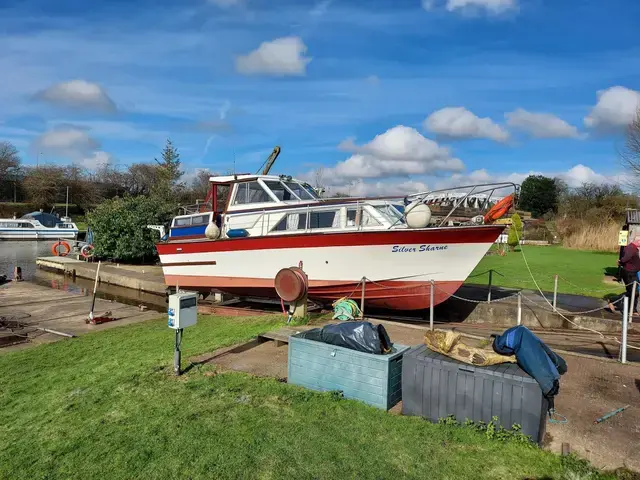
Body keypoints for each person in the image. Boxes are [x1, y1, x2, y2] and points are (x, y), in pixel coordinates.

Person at [609, 234, 640, 316]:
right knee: (633, 291)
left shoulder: (634, 248)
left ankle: (633, 310)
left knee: (634, 291)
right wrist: (620, 262)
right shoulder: (631, 248)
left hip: (633, 272)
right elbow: (625, 258)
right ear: (638, 241)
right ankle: (613, 300)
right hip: (629, 273)